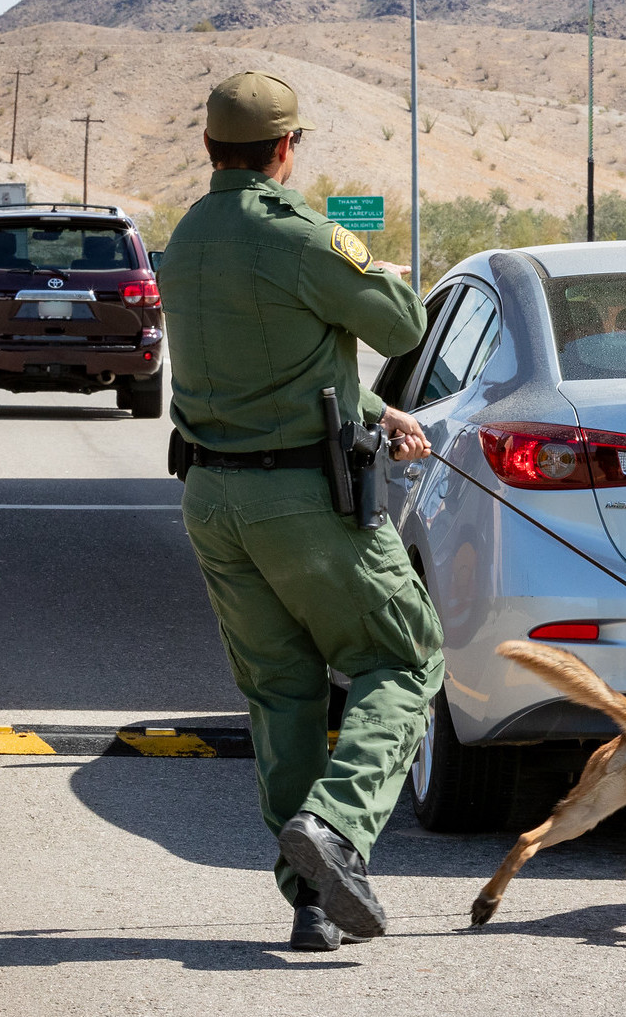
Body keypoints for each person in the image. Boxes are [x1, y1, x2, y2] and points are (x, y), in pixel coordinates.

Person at [158, 71, 438, 954]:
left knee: (281, 691)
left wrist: (363, 407)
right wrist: (383, 272)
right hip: (300, 496)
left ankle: (310, 901)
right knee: (404, 654)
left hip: (214, 494)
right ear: (286, 150)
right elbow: (401, 325)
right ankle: (342, 827)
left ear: (210, 149)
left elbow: (270, 362)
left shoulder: (188, 235)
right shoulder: (299, 234)